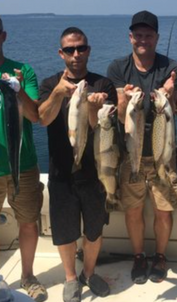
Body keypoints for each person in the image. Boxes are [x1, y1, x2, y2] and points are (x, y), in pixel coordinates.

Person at [38, 27, 117, 302]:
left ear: (88, 50)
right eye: (70, 49)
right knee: (65, 232)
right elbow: (43, 118)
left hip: (95, 173)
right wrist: (58, 93)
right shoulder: (50, 84)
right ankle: (71, 277)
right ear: (61, 54)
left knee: (94, 230)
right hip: (61, 173)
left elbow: (103, 129)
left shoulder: (103, 85)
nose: (76, 54)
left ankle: (89, 273)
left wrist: (94, 108)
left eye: (81, 48)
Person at [107, 10, 177, 284]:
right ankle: (139, 256)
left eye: (148, 35)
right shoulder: (118, 68)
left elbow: (175, 113)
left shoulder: (172, 68)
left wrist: (171, 93)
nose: (143, 40)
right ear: (130, 38)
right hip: (132, 153)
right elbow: (118, 115)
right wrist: (126, 100)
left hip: (163, 153)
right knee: (133, 210)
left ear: (156, 38)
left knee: (163, 210)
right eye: (138, 35)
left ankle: (160, 256)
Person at [0, 10, 47, 301]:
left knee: (28, 221)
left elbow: (36, 115)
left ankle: (28, 275)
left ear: (4, 36)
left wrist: (19, 89)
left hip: (22, 164)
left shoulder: (23, 70)